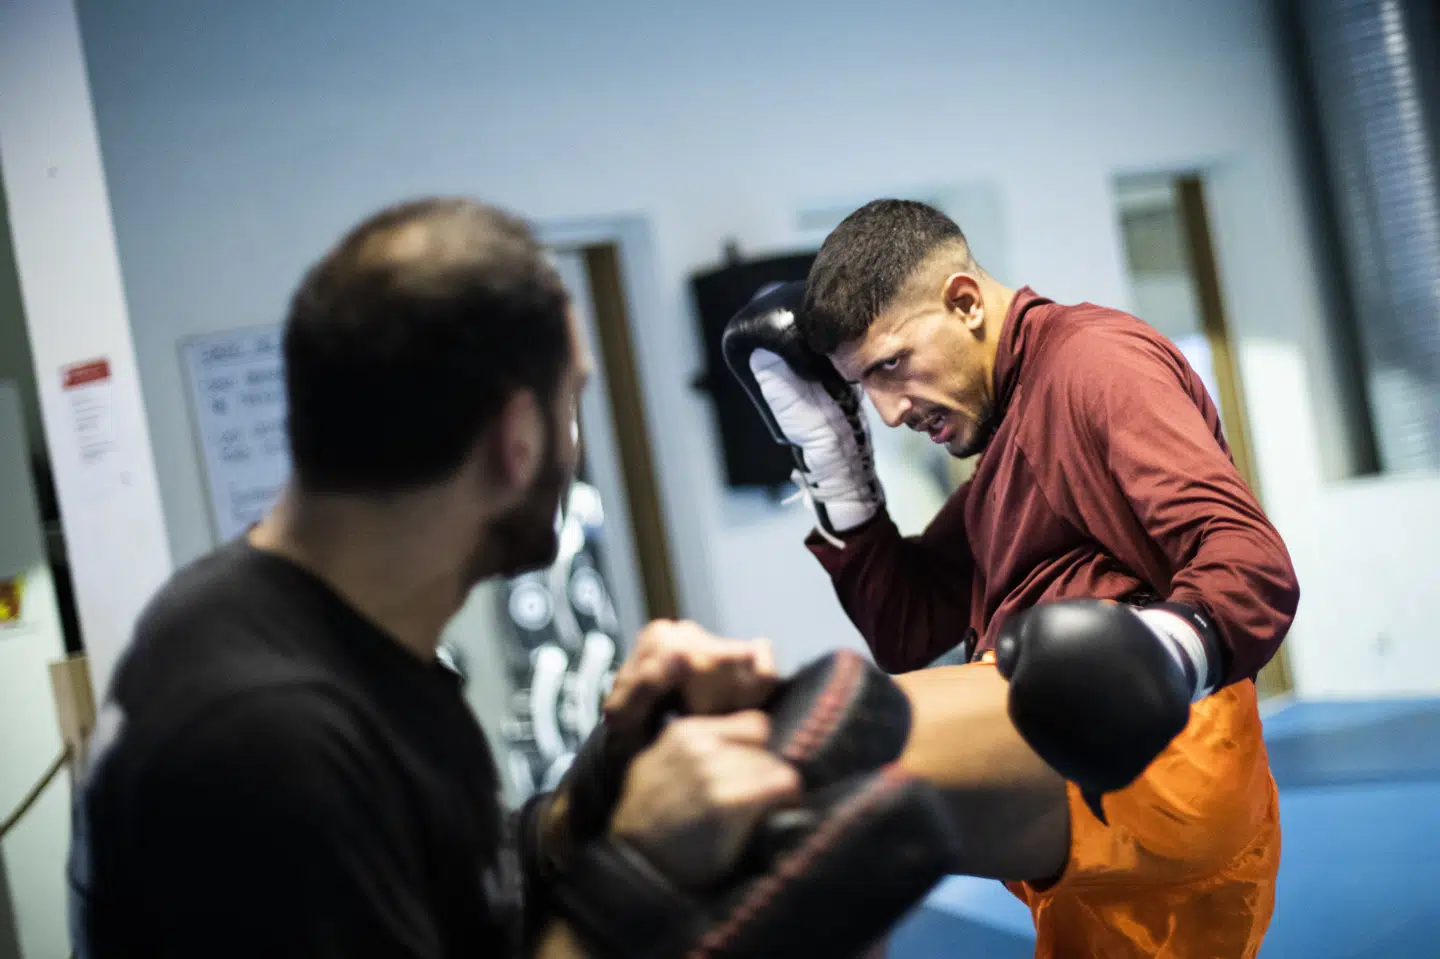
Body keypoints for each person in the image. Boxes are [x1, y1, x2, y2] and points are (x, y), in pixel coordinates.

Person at [66, 199, 831, 958]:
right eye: (573, 401)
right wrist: (641, 881)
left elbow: (438, 894)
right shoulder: (264, 740)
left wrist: (603, 790)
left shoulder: (269, 628)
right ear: (519, 439)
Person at [725, 199, 1300, 958]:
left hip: (1156, 753)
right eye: (867, 384)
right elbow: (909, 623)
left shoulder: (1095, 363)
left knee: (797, 765)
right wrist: (833, 459)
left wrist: (1158, 654)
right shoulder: (1013, 431)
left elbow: (1249, 557)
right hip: (1121, 817)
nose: (890, 411)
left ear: (964, 302)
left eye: (892, 365)